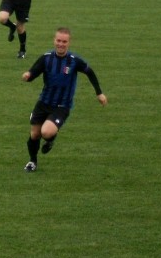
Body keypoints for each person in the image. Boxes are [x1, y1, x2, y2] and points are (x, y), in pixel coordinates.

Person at [20, 27, 107, 172]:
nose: (61, 44)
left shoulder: (74, 61)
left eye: (64, 41)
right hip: (44, 102)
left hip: (62, 105)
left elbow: (90, 72)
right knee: (35, 134)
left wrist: (99, 93)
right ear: (54, 40)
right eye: (58, 40)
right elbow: (33, 72)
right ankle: (32, 161)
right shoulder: (46, 58)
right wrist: (27, 75)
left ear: (69, 43)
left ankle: (51, 138)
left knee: (46, 132)